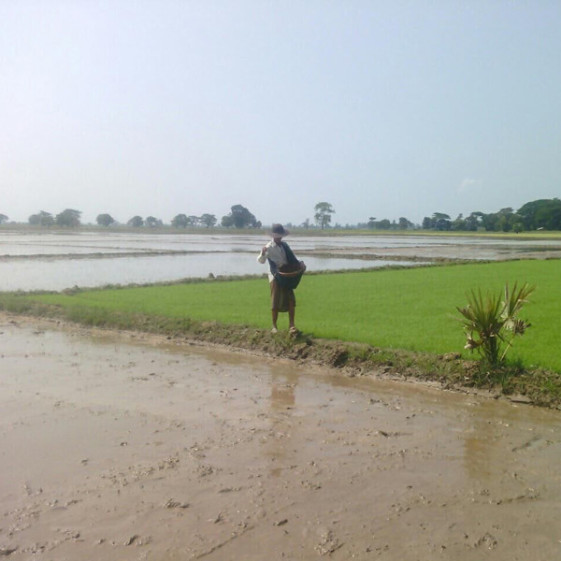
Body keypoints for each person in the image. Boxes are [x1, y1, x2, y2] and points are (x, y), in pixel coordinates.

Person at [257, 223, 305, 334]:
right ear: (273, 236)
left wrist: (299, 265)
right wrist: (263, 253)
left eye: (280, 235)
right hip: (275, 275)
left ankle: (292, 325)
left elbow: (292, 259)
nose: (279, 237)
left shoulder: (284, 246)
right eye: (278, 235)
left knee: (291, 300)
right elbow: (261, 260)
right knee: (275, 300)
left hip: (286, 273)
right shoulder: (268, 247)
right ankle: (274, 326)